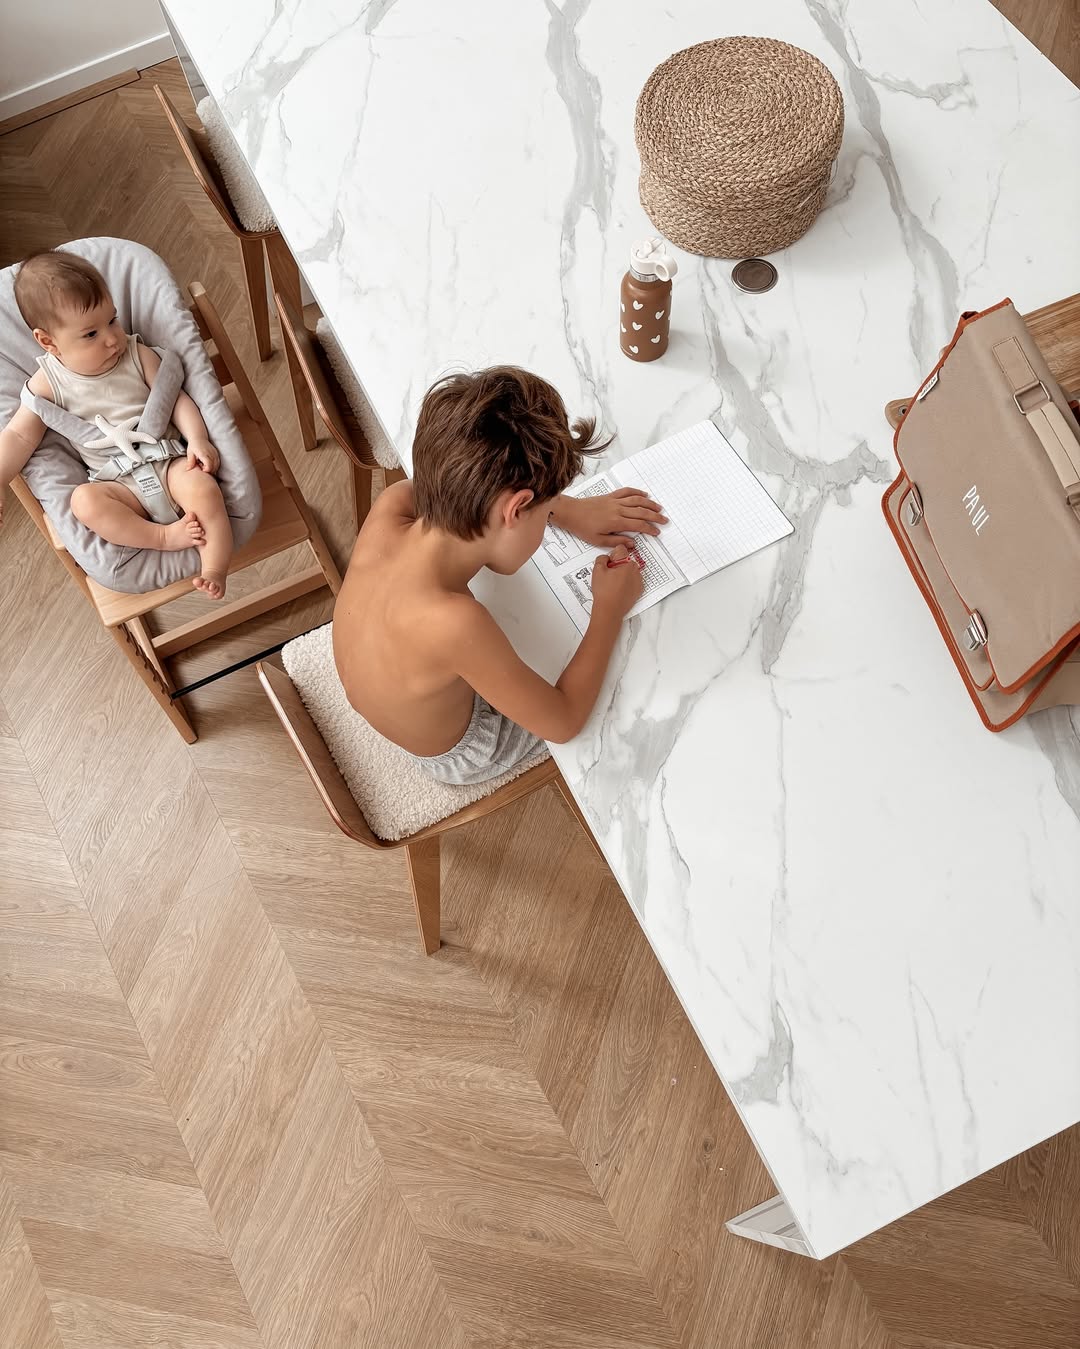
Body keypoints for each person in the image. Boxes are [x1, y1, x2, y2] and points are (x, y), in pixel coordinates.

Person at [333, 365, 667, 784]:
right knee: (624, 699)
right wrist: (608, 610)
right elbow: (563, 722)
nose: (549, 519)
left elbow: (467, 478)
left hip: (377, 684)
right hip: (461, 752)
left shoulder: (392, 506)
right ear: (515, 509)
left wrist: (571, 509)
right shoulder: (456, 623)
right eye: (546, 514)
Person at [0, 250, 232, 599]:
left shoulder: (138, 354)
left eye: (113, 320)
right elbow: (18, 435)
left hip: (168, 465)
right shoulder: (47, 383)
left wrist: (198, 439)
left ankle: (214, 566)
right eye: (91, 334)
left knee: (203, 489)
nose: (111, 338)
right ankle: (163, 538)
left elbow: (178, 399)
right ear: (49, 342)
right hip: (117, 486)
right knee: (84, 502)